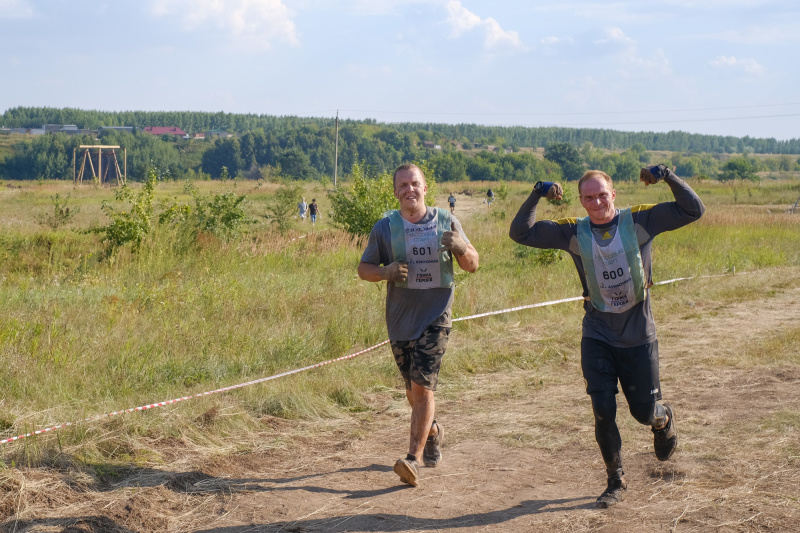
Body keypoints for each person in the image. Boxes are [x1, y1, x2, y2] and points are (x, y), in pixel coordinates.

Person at [509, 165, 705, 509]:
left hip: (638, 336)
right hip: (597, 333)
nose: (597, 201)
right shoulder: (573, 231)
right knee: (603, 409)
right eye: (589, 197)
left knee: (643, 414)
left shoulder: (640, 221)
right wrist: (538, 191)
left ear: (613, 194)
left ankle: (663, 419)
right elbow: (520, 233)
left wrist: (669, 176)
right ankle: (616, 480)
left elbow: (693, 210)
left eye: (602, 194)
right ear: (582, 201)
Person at [358, 163, 479, 487]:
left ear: (425, 188)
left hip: (436, 315)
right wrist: (385, 272)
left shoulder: (446, 221)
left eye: (415, 184)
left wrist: (460, 247)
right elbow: (363, 268)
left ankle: (411, 459)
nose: (409, 190)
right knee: (413, 392)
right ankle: (434, 431)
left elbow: (473, 264)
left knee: (423, 387)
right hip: (399, 321)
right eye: (403, 186)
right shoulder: (385, 227)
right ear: (395, 191)